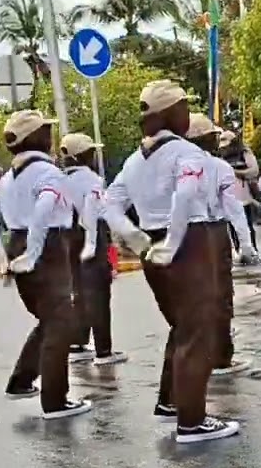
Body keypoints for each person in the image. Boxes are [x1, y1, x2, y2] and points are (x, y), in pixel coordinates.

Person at [102, 79, 241, 443]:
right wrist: (175, 241)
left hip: (154, 246)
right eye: (184, 107)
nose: (187, 114)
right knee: (197, 333)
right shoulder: (187, 154)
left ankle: (171, 401)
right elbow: (186, 195)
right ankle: (192, 421)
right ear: (172, 114)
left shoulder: (134, 162)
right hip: (190, 243)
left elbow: (109, 204)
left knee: (182, 328)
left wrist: (134, 237)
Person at [0, 109, 91, 420]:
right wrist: (34, 249)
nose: (51, 137)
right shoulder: (48, 173)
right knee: (59, 324)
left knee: (50, 319)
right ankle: (55, 401)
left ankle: (21, 380)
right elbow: (43, 209)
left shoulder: (9, 178)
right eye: (46, 131)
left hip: (19, 242)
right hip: (48, 247)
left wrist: (0, 253)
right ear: (37, 138)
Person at [186, 115, 259, 376]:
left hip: (183, 234)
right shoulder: (218, 167)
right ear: (204, 138)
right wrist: (246, 245)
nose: (218, 139)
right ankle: (220, 358)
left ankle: (196, 354)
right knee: (220, 296)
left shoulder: (173, 164)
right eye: (213, 135)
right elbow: (234, 209)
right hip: (212, 231)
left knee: (193, 298)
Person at [60, 132, 127, 367]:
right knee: (97, 292)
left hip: (67, 236)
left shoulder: (58, 180)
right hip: (90, 234)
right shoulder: (92, 180)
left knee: (77, 290)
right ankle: (103, 350)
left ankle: (77, 343)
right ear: (83, 156)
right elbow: (94, 213)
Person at [219, 129, 261, 253]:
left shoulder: (245, 153)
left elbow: (254, 171)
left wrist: (236, 172)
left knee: (246, 226)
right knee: (232, 227)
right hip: (228, 197)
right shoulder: (221, 157)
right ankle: (239, 251)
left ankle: (252, 252)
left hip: (243, 197)